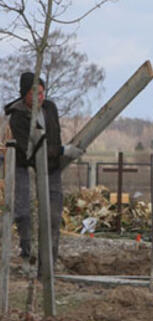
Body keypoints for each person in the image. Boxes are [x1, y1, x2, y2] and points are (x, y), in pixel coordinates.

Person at [3, 72, 84, 267]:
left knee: (53, 217)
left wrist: (57, 151)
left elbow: (53, 139)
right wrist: (63, 150)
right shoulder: (17, 117)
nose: (40, 98)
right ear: (24, 95)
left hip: (51, 168)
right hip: (25, 168)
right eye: (34, 94)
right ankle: (27, 256)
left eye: (42, 93)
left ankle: (48, 265)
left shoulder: (50, 108)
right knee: (24, 212)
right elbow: (32, 151)